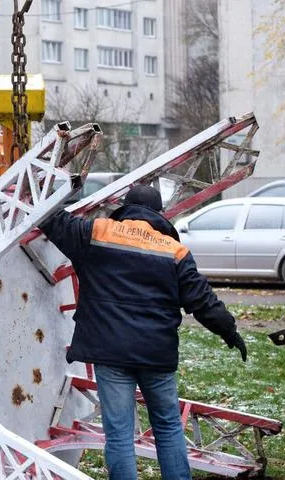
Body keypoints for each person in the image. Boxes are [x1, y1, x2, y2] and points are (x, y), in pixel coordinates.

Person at [39, 184, 247, 480]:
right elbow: (202, 300)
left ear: (125, 208)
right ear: (159, 214)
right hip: (156, 354)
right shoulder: (174, 250)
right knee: (168, 426)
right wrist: (230, 332)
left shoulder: (96, 233)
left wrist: (43, 186)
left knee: (120, 433)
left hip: (110, 352)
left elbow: (52, 219)